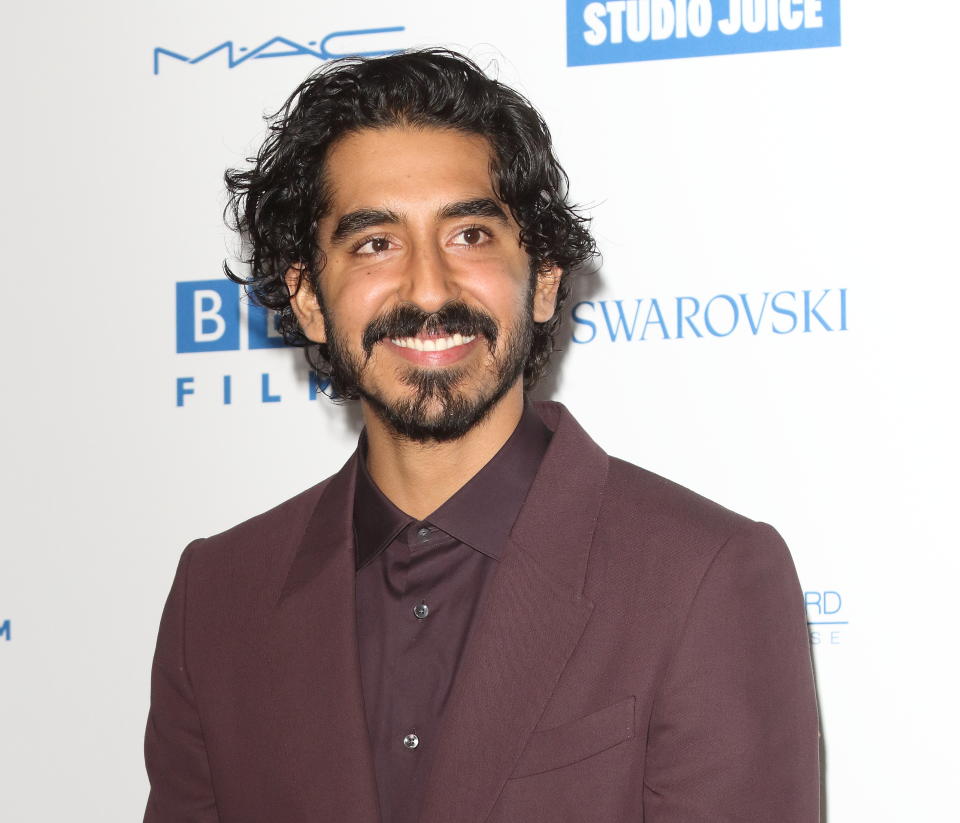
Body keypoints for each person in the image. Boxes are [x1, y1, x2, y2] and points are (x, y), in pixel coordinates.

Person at [144, 49, 819, 823]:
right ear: (306, 299)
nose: (428, 287)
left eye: (470, 235)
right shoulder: (219, 598)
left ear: (547, 279)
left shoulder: (704, 579)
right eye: (375, 243)